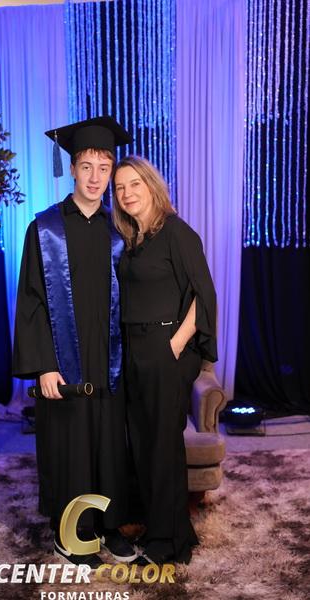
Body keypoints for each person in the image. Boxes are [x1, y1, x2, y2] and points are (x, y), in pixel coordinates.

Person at [12, 117, 137, 567]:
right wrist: (44, 365)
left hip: (109, 357)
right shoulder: (44, 229)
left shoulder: (119, 230)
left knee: (109, 442)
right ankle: (72, 534)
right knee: (70, 446)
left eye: (104, 168)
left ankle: (109, 525)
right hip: (64, 361)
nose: (95, 177)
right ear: (72, 169)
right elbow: (30, 302)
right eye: (87, 167)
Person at [112, 155, 218, 565]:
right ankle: (174, 529)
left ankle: (167, 545)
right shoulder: (134, 238)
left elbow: (203, 295)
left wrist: (174, 344)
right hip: (135, 347)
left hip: (165, 348)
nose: (127, 193)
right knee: (143, 444)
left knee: (161, 447)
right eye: (120, 188)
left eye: (134, 184)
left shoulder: (177, 232)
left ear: (152, 185)